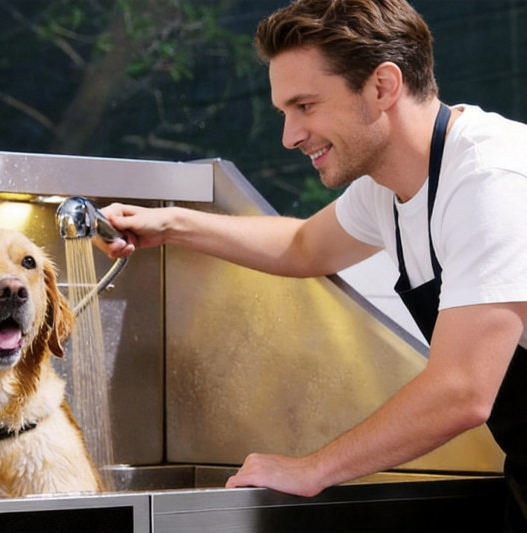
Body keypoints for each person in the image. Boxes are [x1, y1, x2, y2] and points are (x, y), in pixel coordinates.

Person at [98, 0, 527, 527]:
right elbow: (304, 246)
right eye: (285, 112)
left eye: (305, 106)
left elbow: (462, 390)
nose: (290, 136)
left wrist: (314, 468)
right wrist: (170, 226)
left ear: (382, 87)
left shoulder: (491, 179)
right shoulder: (387, 190)